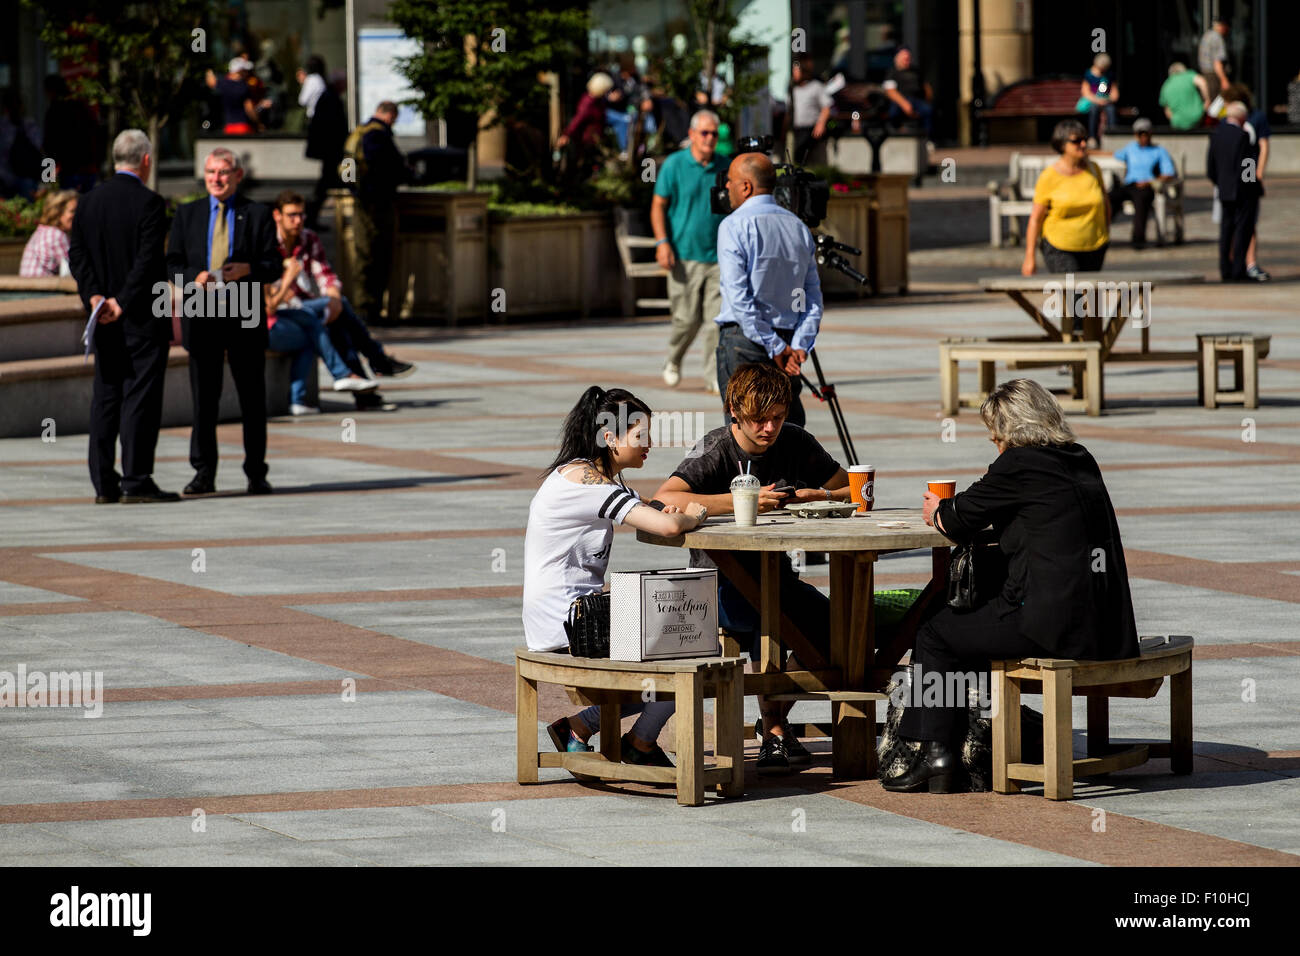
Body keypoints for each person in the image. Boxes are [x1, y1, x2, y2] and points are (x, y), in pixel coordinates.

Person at [883, 378, 1138, 793]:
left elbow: (958, 518)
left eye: (996, 436)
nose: (996, 445)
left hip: (1052, 625)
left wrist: (937, 508)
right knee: (961, 628)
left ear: (1011, 431)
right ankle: (980, 743)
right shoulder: (1078, 456)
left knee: (934, 632)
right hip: (1106, 624)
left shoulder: (1019, 463)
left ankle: (936, 756)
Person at [654, 362, 850, 776]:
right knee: (775, 624)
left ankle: (774, 719)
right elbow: (665, 496)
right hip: (718, 587)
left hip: (778, 580)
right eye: (758, 419)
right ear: (734, 413)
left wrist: (813, 494)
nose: (768, 428)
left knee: (843, 630)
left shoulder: (796, 441)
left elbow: (849, 487)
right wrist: (741, 499)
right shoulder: (716, 448)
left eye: (777, 417)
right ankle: (776, 728)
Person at [524, 387, 707, 767]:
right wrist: (692, 516)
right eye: (640, 436)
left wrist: (665, 509)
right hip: (570, 623)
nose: (649, 445)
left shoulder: (588, 475)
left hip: (571, 615)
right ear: (610, 438)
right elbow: (669, 527)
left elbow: (649, 508)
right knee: (691, 643)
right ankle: (639, 742)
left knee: (684, 631)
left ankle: (581, 727)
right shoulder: (589, 485)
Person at [67, 130, 177, 504]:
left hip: (103, 319)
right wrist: (122, 301)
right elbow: (148, 262)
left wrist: (96, 297)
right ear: (146, 159)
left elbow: (77, 256)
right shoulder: (150, 203)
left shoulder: (87, 202)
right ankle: (136, 479)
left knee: (106, 397)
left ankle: (103, 483)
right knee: (139, 399)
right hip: (141, 319)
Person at [167, 147, 280, 495]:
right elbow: (170, 262)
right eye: (211, 172)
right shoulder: (188, 214)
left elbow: (274, 265)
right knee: (204, 399)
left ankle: (256, 472)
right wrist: (191, 277)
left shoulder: (257, 214)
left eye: (224, 172)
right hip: (202, 313)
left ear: (237, 176)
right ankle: (203, 473)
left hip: (243, 311)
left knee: (252, 397)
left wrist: (250, 269)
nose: (216, 179)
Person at [270, 189, 414, 411]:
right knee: (338, 318)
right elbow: (270, 292)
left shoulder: (308, 238)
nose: (297, 221)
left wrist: (333, 298)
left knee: (339, 321)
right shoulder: (268, 243)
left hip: (304, 308)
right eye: (292, 215)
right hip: (281, 313)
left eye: (301, 215)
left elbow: (325, 275)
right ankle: (375, 363)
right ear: (277, 215)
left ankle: (366, 393)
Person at [713, 151, 822, 428]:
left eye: (730, 181)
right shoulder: (798, 227)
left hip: (745, 343)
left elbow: (739, 298)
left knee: (745, 435)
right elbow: (812, 298)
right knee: (785, 432)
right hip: (786, 342)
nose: (726, 187)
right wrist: (798, 344)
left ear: (746, 186)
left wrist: (776, 346)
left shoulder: (734, 224)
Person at [652, 109, 727, 394]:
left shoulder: (725, 166)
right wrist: (662, 243)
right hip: (683, 255)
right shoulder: (674, 165)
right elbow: (658, 205)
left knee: (715, 321)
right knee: (686, 319)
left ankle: (712, 377)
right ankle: (673, 358)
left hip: (719, 258)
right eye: (704, 133)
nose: (710, 138)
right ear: (692, 135)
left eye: (714, 134)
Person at [347, 101, 412, 328]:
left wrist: (355, 190)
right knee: (377, 255)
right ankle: (369, 309)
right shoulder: (378, 136)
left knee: (365, 254)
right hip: (377, 203)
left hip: (361, 201)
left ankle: (364, 308)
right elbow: (390, 168)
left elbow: (347, 167)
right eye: (394, 117)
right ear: (389, 115)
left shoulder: (360, 132)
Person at [1021, 119, 1110, 280]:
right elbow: (1035, 218)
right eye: (1076, 141)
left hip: (1095, 245)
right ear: (1062, 145)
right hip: (1059, 246)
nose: (1083, 144)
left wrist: (1106, 234)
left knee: (1090, 298)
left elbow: (1105, 204)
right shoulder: (1049, 176)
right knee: (1074, 299)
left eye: (1084, 139)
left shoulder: (1094, 170)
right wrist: (1029, 257)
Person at [1206, 101, 1261, 283]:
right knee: (1242, 230)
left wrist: (1220, 183)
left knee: (1226, 230)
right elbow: (1248, 167)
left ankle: (1225, 269)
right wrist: (1252, 188)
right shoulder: (1243, 136)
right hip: (1242, 191)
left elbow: (1210, 168)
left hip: (1224, 190)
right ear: (1242, 117)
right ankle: (1238, 269)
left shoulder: (1216, 135)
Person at [1109, 118, 1176, 249]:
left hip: (1146, 185)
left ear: (1151, 134)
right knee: (1108, 197)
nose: (1143, 137)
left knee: (1141, 203)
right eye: (1140, 134)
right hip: (1130, 184)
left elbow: (1168, 173)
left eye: (1146, 134)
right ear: (1136, 135)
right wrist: (1089, 151)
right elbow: (1114, 154)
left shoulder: (1159, 151)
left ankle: (1138, 239)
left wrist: (1150, 181)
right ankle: (1101, 233)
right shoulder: (1131, 148)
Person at [298, 56, 347, 231]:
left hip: (331, 150)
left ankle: (312, 217)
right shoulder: (329, 97)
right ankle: (312, 218)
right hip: (331, 150)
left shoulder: (328, 96)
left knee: (328, 183)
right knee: (329, 184)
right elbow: (331, 127)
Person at [42, 75, 100, 192]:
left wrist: (48, 178)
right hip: (89, 168)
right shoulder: (82, 107)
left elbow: (49, 146)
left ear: (51, 91)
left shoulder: (55, 111)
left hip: (69, 170)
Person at [19, 189, 77, 277]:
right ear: (58, 212)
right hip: (42, 288)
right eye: (72, 211)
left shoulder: (42, 230)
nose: (77, 215)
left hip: (28, 287)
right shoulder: (57, 235)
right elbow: (74, 270)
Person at [882, 46, 933, 141]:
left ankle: (927, 140)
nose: (906, 60)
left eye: (908, 58)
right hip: (900, 101)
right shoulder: (892, 73)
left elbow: (926, 87)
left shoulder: (915, 71)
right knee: (893, 112)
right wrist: (904, 104)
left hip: (917, 100)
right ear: (897, 58)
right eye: (904, 58)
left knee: (928, 111)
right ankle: (896, 136)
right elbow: (890, 92)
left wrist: (928, 100)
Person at [787, 57, 832, 165]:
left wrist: (821, 124)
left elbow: (827, 107)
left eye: (797, 70)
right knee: (798, 161)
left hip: (812, 131)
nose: (794, 73)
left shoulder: (816, 86)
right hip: (797, 130)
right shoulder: (793, 89)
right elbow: (789, 110)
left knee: (816, 162)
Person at [206, 58, 260, 135]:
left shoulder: (222, 84)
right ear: (239, 71)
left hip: (228, 127)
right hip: (243, 126)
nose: (247, 73)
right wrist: (258, 122)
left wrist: (209, 71)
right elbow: (249, 108)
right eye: (244, 70)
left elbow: (211, 82)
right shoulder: (244, 87)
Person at [1080, 53, 1119, 146]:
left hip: (1106, 102)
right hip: (1093, 101)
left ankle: (1111, 136)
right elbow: (1085, 92)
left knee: (1111, 110)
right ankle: (1092, 138)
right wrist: (1097, 100)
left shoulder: (1109, 76)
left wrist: (1107, 100)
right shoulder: (1089, 75)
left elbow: (1115, 94)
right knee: (1093, 110)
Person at [1158, 63, 1208, 131]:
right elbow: (1202, 82)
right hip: (1196, 118)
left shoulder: (1166, 85)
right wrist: (1207, 100)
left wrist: (1174, 119)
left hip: (1177, 123)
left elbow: (1167, 110)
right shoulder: (1188, 75)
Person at [1198, 18, 1231, 102]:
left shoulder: (1207, 35)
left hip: (1205, 73)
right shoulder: (1217, 38)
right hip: (1214, 76)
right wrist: (1224, 80)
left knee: (1209, 101)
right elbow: (1217, 62)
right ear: (1222, 26)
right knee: (1216, 103)